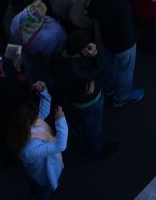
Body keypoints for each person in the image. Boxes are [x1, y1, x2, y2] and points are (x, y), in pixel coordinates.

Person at [49, 33, 117, 161]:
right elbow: (99, 70)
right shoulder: (77, 70)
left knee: (77, 121)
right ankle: (95, 150)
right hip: (88, 102)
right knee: (93, 128)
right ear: (79, 52)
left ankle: (76, 134)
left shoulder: (59, 51)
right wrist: (95, 55)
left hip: (68, 98)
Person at [6, 87, 66, 200]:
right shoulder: (30, 149)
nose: (40, 116)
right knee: (43, 192)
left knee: (35, 185)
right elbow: (60, 146)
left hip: (34, 172)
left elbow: (43, 112)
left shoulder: (21, 129)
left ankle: (34, 194)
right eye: (37, 117)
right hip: (43, 175)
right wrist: (61, 120)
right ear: (30, 124)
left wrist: (44, 92)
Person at [8, 1, 66, 83]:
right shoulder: (53, 33)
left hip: (26, 56)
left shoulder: (16, 19)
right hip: (40, 63)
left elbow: (14, 39)